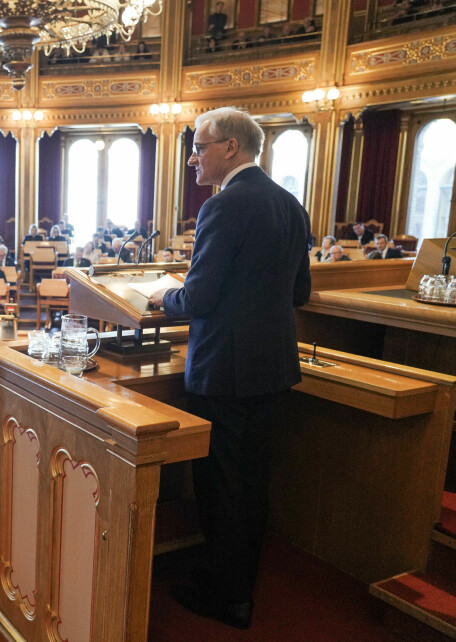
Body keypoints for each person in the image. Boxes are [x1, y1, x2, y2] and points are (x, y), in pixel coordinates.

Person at [148, 106, 311, 630]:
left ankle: (228, 596)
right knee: (253, 481)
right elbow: (300, 292)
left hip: (224, 370)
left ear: (231, 148)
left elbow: (198, 297)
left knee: (219, 483)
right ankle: (238, 581)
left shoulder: (225, 206)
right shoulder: (289, 203)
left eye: (199, 146)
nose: (193, 157)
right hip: (272, 367)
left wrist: (160, 295)